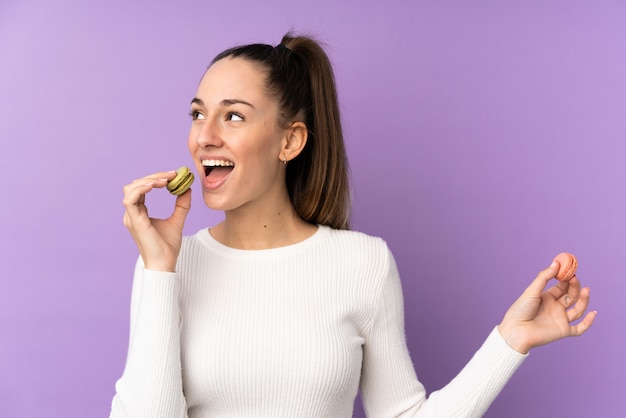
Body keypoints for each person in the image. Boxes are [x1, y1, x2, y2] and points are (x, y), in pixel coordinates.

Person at [111, 32, 596, 417]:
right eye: (198, 114)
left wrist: (509, 342)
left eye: (233, 116)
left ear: (290, 141)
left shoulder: (363, 262)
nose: (204, 137)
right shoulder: (167, 266)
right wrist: (159, 270)